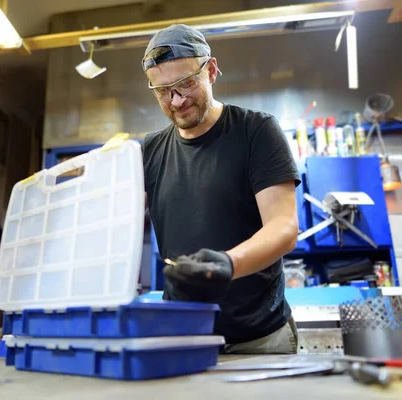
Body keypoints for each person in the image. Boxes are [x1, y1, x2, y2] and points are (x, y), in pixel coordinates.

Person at [141, 24, 301, 354]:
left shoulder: (256, 131)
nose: (177, 100)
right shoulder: (149, 151)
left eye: (185, 83)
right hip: (184, 336)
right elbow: (117, 228)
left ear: (211, 70)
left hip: (259, 338)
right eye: (162, 91)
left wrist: (227, 265)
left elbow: (284, 227)